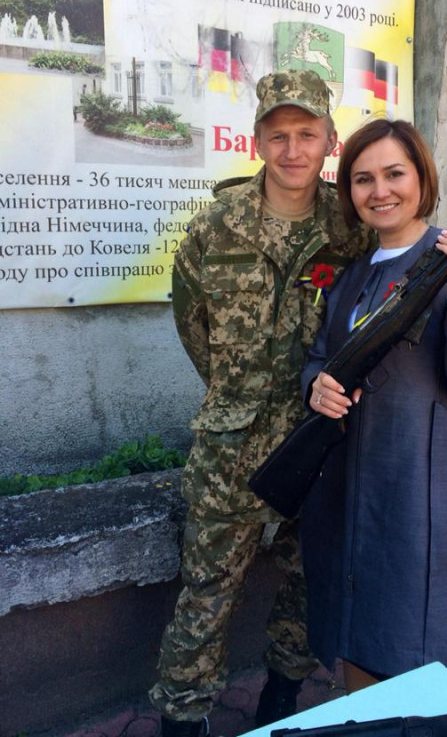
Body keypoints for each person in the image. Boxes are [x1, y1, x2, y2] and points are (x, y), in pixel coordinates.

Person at [149, 70, 370, 736]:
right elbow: (192, 321)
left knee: (305, 580)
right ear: (257, 141)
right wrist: (235, 395)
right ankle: (182, 716)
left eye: (307, 134)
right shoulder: (217, 224)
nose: (293, 149)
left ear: (330, 140)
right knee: (206, 593)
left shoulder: (350, 229)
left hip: (321, 440)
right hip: (232, 450)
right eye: (279, 135)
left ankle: (280, 698)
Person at [298, 118, 447, 700]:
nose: (380, 191)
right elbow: (319, 359)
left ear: (422, 178)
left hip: (426, 494)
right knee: (358, 639)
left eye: (395, 173)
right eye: (363, 179)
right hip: (349, 488)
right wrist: (317, 387)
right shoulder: (349, 276)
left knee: (434, 650)